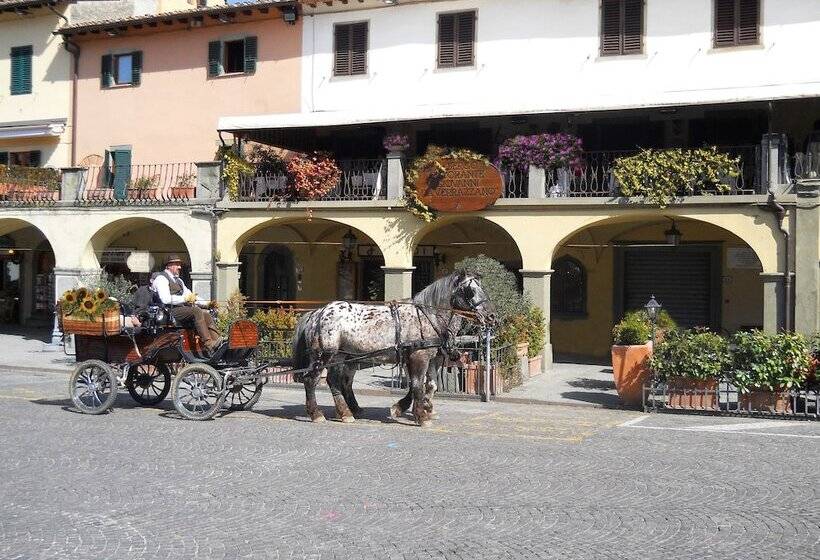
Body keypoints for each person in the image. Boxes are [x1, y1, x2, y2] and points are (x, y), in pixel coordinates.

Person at [150, 255, 222, 353]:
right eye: (177, 264)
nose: (179, 267)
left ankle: (217, 341)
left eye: (179, 264)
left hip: (180, 309)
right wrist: (185, 299)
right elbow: (165, 299)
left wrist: (207, 303)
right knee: (196, 311)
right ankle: (208, 344)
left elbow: (191, 296)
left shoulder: (179, 281)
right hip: (168, 311)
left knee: (205, 313)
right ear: (169, 266)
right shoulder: (161, 279)